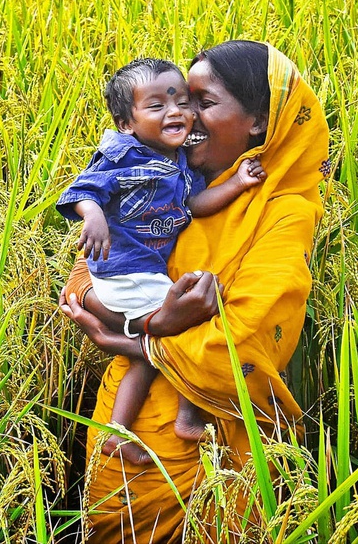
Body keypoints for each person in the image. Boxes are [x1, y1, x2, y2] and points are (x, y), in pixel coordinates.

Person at [59, 41, 329, 542]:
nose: (185, 116)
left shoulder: (283, 211)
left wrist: (136, 341)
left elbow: (245, 338)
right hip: (124, 433)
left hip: (210, 455)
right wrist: (147, 325)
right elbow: (82, 285)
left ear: (257, 120)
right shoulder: (162, 177)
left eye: (201, 102)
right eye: (180, 99)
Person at [56, 58, 266, 465]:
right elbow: (82, 191)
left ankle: (119, 432)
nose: (176, 112)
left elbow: (195, 205)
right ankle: (188, 412)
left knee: (147, 358)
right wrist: (95, 217)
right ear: (126, 124)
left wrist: (239, 182)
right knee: (198, 318)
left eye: (183, 101)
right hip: (125, 272)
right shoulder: (123, 155)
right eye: (157, 106)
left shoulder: (181, 162)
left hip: (141, 274)